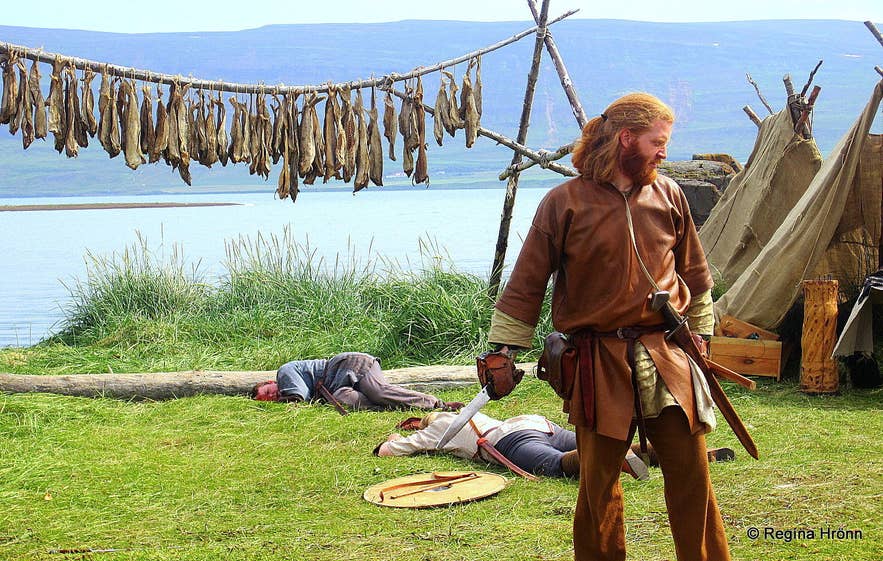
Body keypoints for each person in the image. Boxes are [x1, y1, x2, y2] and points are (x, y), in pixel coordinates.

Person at [487, 93, 731, 560]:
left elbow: (696, 278)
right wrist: (504, 350)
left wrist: (701, 338)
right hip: (599, 363)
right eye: (657, 141)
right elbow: (526, 283)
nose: (663, 151)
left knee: (692, 479)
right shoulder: (564, 203)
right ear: (626, 139)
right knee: (598, 489)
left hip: (667, 357)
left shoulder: (669, 194)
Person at [375, 411, 647, 479]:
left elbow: (387, 452)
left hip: (511, 441)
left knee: (556, 466)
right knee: (581, 443)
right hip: (537, 424)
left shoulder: (435, 429)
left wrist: (393, 439)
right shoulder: (470, 413)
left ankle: (610, 456)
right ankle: (654, 453)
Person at [252, 352, 462, 412]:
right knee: (344, 399)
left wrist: (285, 400)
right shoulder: (286, 384)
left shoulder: (285, 371)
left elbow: (299, 397)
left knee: (378, 391)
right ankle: (395, 407)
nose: (274, 396)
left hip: (349, 364)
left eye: (270, 391)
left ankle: (437, 404)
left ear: (272, 381)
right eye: (269, 400)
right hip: (337, 387)